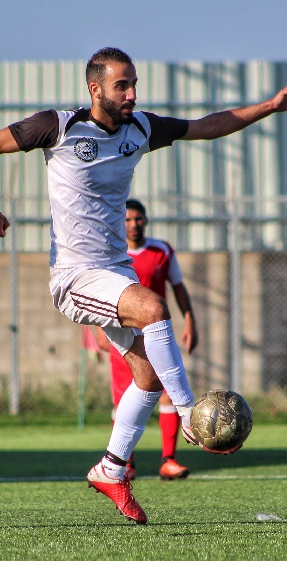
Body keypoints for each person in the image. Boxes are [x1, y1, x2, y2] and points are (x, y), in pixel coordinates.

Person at [0, 47, 287, 525]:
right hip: (74, 276)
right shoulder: (59, 126)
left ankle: (111, 469)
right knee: (154, 309)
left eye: (133, 84)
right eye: (121, 86)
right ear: (95, 90)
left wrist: (270, 106)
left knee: (148, 374)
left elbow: (208, 124)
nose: (132, 94)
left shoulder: (141, 129)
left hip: (116, 273)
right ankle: (192, 413)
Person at [95, 199, 198, 482]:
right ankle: (125, 463)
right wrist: (95, 332)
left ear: (146, 221)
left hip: (157, 335)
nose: (133, 224)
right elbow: (95, 293)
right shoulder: (110, 252)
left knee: (168, 392)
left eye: (138, 219)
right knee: (124, 398)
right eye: (127, 220)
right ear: (120, 222)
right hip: (123, 335)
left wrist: (189, 320)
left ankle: (168, 460)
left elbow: (178, 286)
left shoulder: (161, 250)